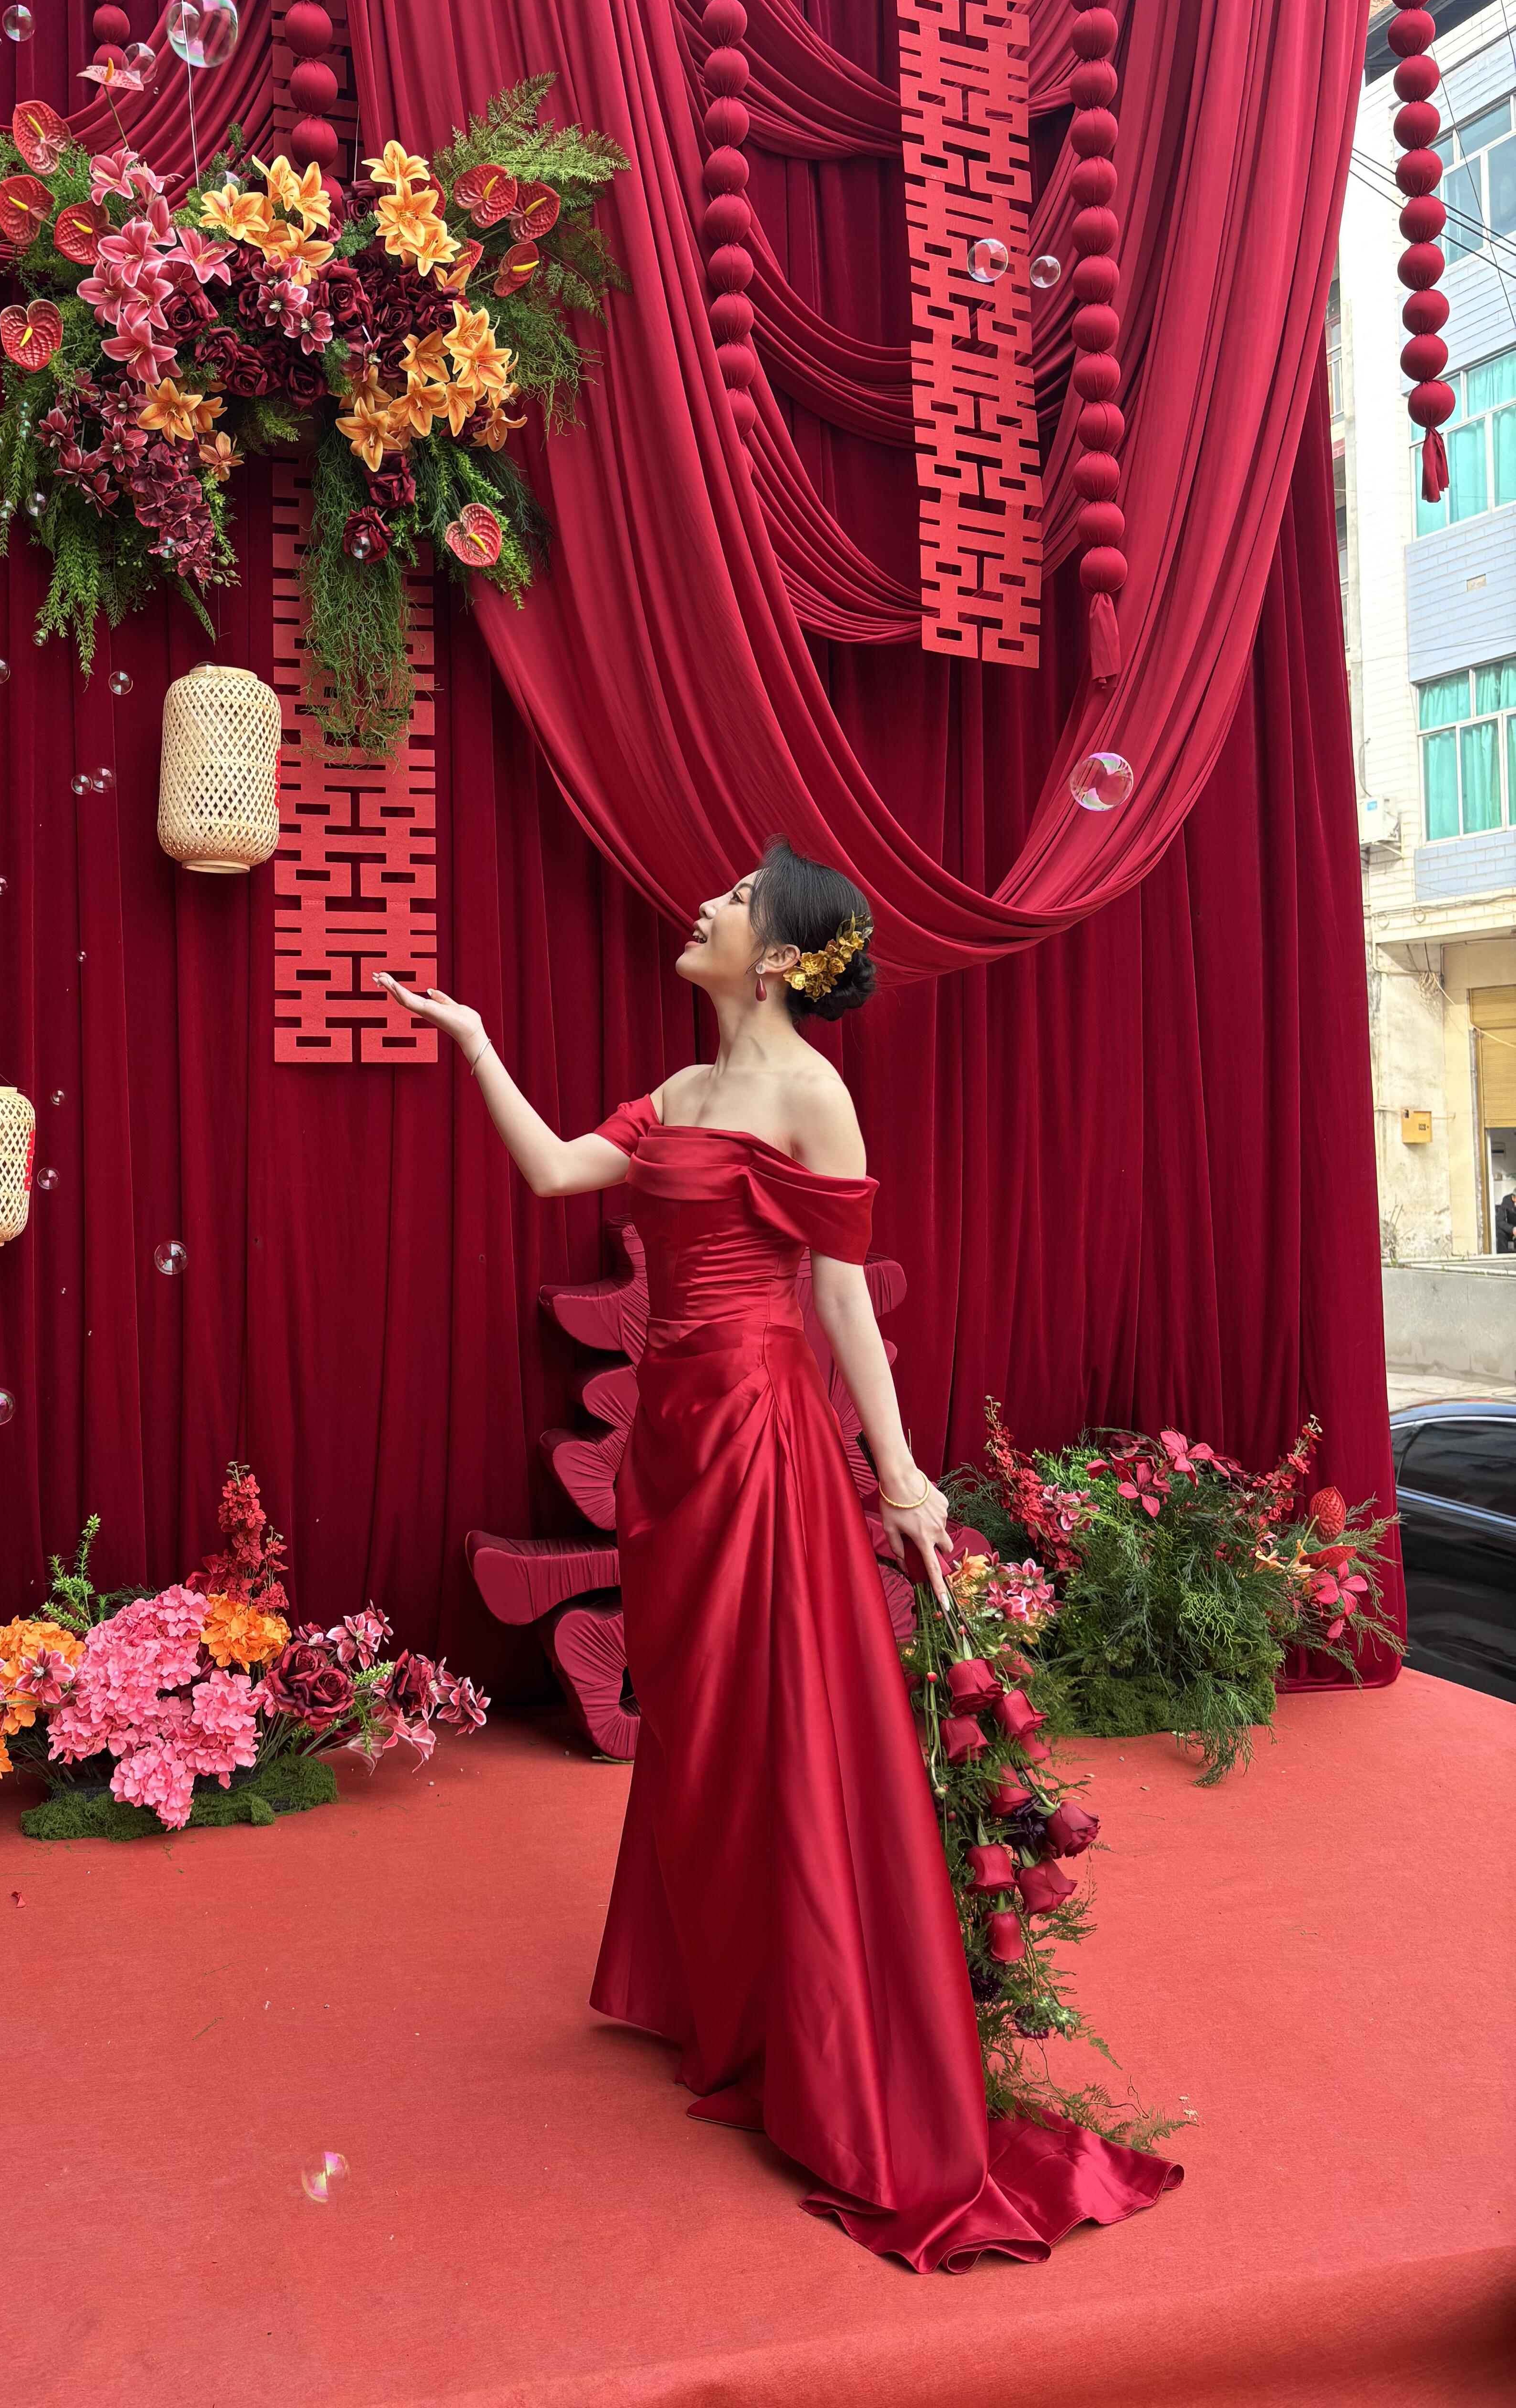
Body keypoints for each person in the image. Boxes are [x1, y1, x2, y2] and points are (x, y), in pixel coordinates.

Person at [377, 839, 1178, 2269]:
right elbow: (557, 1170)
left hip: (758, 1434)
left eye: (736, 900)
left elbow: (842, 1299)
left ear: (783, 958)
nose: (705, 905)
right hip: (669, 1449)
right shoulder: (678, 1093)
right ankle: (735, 1994)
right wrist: (477, 1043)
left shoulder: (814, 1095)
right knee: (702, 1729)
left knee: (786, 1724)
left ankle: (826, 2045)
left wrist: (903, 1478)